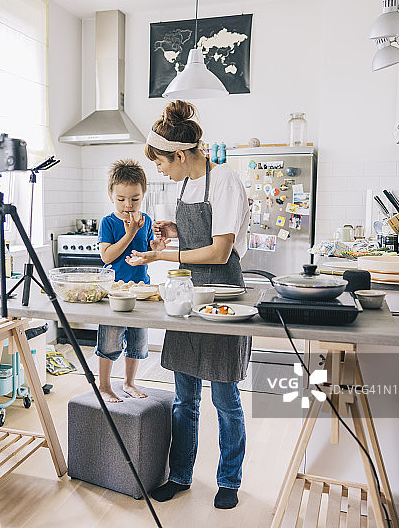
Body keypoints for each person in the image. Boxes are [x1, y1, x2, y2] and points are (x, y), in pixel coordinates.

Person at [127, 100, 251, 509]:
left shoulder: (225, 180)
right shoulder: (185, 183)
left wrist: (164, 255)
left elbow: (217, 251)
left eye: (161, 163)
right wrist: (174, 229)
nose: (160, 171)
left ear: (179, 155)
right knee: (184, 398)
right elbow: (199, 232)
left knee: (225, 400)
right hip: (187, 297)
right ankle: (180, 475)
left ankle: (228, 480)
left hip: (222, 299)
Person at [96, 159, 169, 403]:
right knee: (109, 341)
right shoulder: (108, 222)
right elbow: (107, 255)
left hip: (141, 291)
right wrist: (129, 233)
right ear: (111, 195)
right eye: (122, 199)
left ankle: (128, 383)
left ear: (143, 194)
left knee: (137, 342)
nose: (128, 205)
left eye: (135, 199)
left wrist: (156, 247)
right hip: (114, 294)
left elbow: (146, 253)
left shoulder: (146, 220)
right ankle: (104, 385)